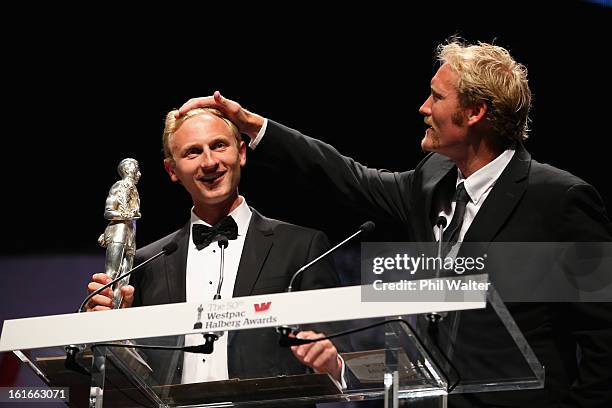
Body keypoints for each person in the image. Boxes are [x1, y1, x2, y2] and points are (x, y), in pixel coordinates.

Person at [175, 40, 612, 407]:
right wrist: (257, 127)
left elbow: (603, 337)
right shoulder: (432, 179)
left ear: (475, 112)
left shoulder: (559, 199)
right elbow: (346, 176)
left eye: (437, 97)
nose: (423, 107)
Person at [86, 108, 345, 386]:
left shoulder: (302, 247)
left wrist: (331, 362)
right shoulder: (146, 262)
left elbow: (341, 353)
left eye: (219, 145)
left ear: (242, 153)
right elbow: (133, 375)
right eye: (192, 152)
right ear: (172, 170)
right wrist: (114, 330)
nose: (209, 162)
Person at [97, 157, 141, 309]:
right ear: (128, 169)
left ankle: (117, 312)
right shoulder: (119, 186)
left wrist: (132, 215)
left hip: (130, 232)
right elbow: (108, 212)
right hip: (118, 231)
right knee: (112, 273)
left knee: (125, 278)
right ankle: (103, 313)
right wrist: (127, 215)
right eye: (136, 169)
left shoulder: (133, 190)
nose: (139, 173)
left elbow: (134, 214)